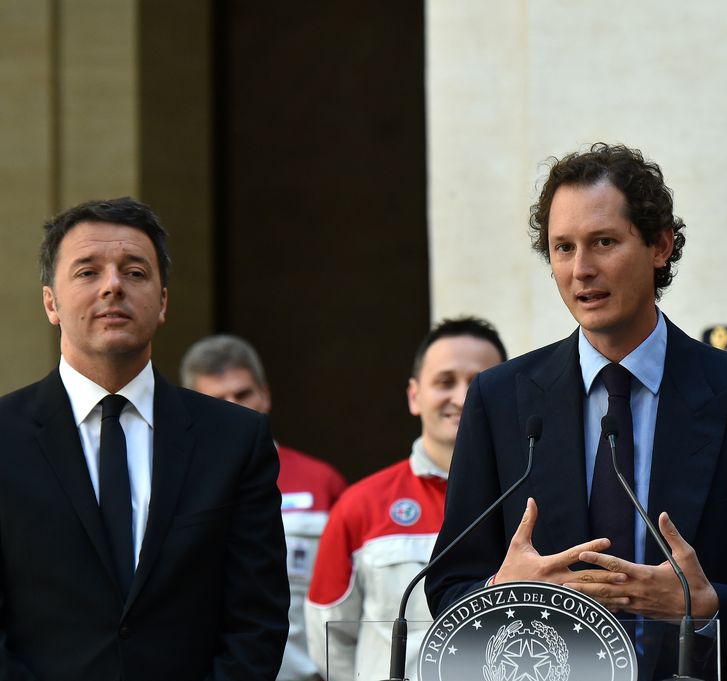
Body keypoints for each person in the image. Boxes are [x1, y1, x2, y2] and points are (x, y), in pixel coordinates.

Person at [424, 143, 727, 681]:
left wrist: (707, 607)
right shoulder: (500, 399)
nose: (581, 270)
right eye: (562, 248)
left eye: (603, 242)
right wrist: (497, 596)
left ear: (660, 245)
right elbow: (447, 585)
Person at [0, 197, 289, 681]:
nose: (113, 286)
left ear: (163, 303)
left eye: (134, 272)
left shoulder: (235, 439)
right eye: (87, 272)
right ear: (50, 301)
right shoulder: (5, 437)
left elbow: (256, 620)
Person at [305, 317, 506, 681]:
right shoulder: (360, 505)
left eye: (478, 384)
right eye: (445, 382)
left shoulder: (532, 497)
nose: (461, 398)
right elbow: (327, 635)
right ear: (415, 396)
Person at [181, 335, 349, 681]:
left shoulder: (322, 481)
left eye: (243, 395)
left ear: (265, 395)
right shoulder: (175, 488)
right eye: (217, 400)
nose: (234, 408)